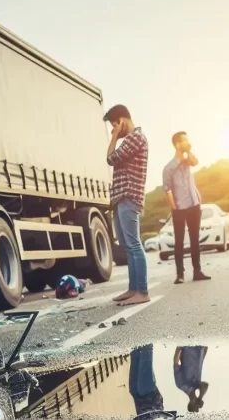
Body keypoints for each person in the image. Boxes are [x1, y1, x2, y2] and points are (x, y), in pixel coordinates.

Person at [104, 104, 150, 306]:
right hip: (121, 197)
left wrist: (113, 137)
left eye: (115, 124)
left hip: (129, 196)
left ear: (122, 120)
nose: (114, 129)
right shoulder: (131, 140)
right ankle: (133, 289)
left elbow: (111, 158)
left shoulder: (135, 138)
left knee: (133, 244)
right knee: (127, 246)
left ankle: (142, 291)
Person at [162, 131, 211, 284]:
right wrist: (174, 207)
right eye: (185, 141)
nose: (188, 142)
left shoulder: (187, 161)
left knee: (195, 239)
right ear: (177, 144)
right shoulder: (169, 168)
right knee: (179, 241)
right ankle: (180, 274)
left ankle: (197, 271)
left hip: (194, 205)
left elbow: (196, 162)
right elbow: (166, 189)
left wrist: (188, 150)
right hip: (179, 208)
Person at [173, 346, 209, 413]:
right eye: (197, 406)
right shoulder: (197, 385)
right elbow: (205, 385)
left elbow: (176, 364)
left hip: (188, 346)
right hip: (200, 348)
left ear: (190, 404)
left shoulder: (181, 385)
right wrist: (200, 397)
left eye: (195, 406)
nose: (197, 404)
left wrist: (179, 347)